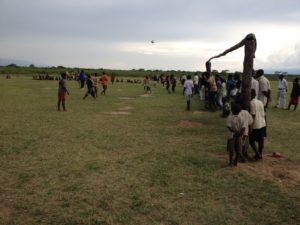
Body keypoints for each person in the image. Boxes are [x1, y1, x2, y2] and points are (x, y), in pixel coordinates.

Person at [226, 102, 245, 166]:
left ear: (232, 110)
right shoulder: (231, 117)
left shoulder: (232, 117)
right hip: (234, 135)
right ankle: (232, 162)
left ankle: (234, 162)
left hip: (233, 135)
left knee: (235, 150)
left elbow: (228, 126)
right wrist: (239, 133)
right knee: (236, 150)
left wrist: (236, 132)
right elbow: (243, 127)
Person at [249, 89, 266, 160]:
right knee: (261, 140)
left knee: (251, 140)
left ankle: (258, 154)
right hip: (262, 123)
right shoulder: (260, 102)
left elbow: (253, 115)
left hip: (256, 125)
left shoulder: (251, 103)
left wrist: (250, 128)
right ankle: (260, 154)